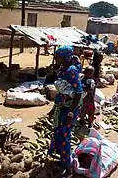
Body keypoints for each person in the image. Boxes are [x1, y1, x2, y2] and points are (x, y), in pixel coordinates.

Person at [48, 46, 83, 177]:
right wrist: (53, 109)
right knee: (58, 132)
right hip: (62, 106)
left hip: (70, 107)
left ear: (65, 57)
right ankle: (62, 160)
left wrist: (71, 112)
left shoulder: (71, 70)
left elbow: (78, 93)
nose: (56, 58)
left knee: (64, 135)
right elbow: (62, 92)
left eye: (58, 56)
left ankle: (68, 168)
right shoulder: (63, 69)